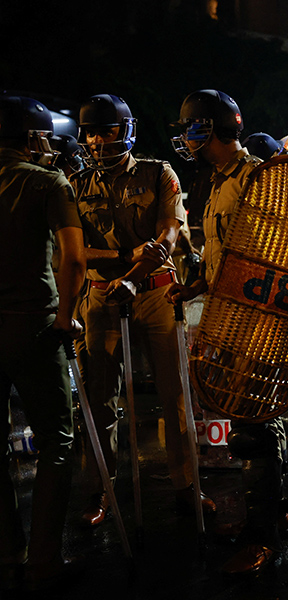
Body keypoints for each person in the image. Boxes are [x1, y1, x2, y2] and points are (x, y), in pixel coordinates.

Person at [70, 94, 215, 527]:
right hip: (100, 296)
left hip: (156, 291)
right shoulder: (76, 184)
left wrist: (134, 269)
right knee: (98, 399)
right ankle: (99, 491)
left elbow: (169, 233)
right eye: (91, 132)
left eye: (106, 131)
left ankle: (187, 486)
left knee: (175, 395)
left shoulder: (158, 173)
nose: (97, 140)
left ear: (126, 130)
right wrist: (123, 253)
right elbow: (75, 248)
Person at [166, 89, 285, 575]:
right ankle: (270, 519)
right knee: (246, 422)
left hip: (257, 318)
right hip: (228, 314)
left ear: (210, 128)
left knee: (256, 427)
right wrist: (195, 284)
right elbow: (222, 251)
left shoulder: (258, 176)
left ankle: (265, 537)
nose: (186, 136)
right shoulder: (217, 180)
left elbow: (277, 248)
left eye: (191, 125)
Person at [0, 95, 86, 591]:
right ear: (32, 138)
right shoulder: (47, 181)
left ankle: (8, 549)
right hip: (33, 324)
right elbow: (74, 259)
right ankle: (44, 558)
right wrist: (68, 316)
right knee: (56, 441)